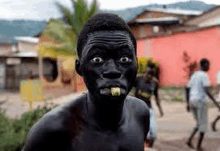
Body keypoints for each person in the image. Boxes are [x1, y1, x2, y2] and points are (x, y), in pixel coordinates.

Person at [23, 13, 150, 151]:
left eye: (124, 59)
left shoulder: (140, 113)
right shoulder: (53, 130)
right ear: (79, 68)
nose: (113, 70)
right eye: (97, 60)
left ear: (136, 65)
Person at [186, 58, 220, 151]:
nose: (209, 67)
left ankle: (189, 140)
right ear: (204, 65)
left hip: (192, 101)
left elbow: (187, 88)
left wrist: (187, 103)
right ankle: (198, 147)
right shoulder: (204, 75)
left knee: (199, 123)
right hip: (200, 101)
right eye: (208, 65)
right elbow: (206, 90)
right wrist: (217, 104)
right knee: (203, 126)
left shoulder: (194, 75)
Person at [135, 66, 159, 151]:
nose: (149, 76)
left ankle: (150, 147)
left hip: (149, 109)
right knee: (145, 132)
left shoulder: (154, 83)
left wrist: (160, 109)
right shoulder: (138, 79)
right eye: (148, 74)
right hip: (138, 109)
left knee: (153, 133)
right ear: (145, 73)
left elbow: (156, 96)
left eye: (151, 75)